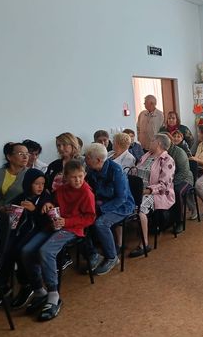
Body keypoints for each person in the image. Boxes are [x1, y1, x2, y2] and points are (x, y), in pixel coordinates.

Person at [20, 160, 96, 321]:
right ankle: (39, 291)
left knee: (46, 251)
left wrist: (67, 222)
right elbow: (52, 201)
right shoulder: (61, 190)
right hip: (53, 226)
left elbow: (90, 218)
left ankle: (53, 295)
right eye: (73, 177)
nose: (78, 180)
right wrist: (48, 203)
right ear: (66, 177)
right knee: (26, 251)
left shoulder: (86, 193)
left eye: (80, 176)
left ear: (84, 175)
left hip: (72, 229)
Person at [84, 143, 135, 276]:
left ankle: (112, 258)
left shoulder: (116, 171)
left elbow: (121, 198)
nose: (85, 159)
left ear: (98, 160)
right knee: (83, 217)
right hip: (103, 202)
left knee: (100, 223)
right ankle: (93, 254)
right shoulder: (91, 169)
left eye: (88, 157)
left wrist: (101, 209)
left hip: (123, 206)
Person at [5, 169, 52, 309]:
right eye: (36, 183)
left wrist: (35, 210)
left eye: (42, 183)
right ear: (28, 184)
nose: (40, 187)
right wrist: (10, 211)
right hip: (23, 231)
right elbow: (12, 218)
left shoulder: (46, 198)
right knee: (7, 249)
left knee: (21, 250)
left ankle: (30, 286)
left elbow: (46, 223)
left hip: (41, 231)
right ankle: (5, 286)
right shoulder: (22, 197)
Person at [129, 134, 175, 257]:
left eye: (152, 140)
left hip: (156, 193)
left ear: (159, 143)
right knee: (121, 203)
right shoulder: (147, 155)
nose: (150, 142)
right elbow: (136, 171)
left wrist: (147, 190)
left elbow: (164, 185)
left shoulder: (167, 160)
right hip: (139, 190)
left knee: (140, 210)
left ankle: (144, 244)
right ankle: (119, 244)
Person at [163, 132, 196, 226]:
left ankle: (179, 221)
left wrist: (171, 183)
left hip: (184, 178)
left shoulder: (179, 152)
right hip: (168, 180)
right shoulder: (159, 152)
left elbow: (184, 172)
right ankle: (165, 220)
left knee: (176, 192)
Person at [0, 142, 29, 210]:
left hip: (19, 213)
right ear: (9, 157)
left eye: (27, 154)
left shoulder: (31, 174)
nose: (25, 157)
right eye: (21, 154)